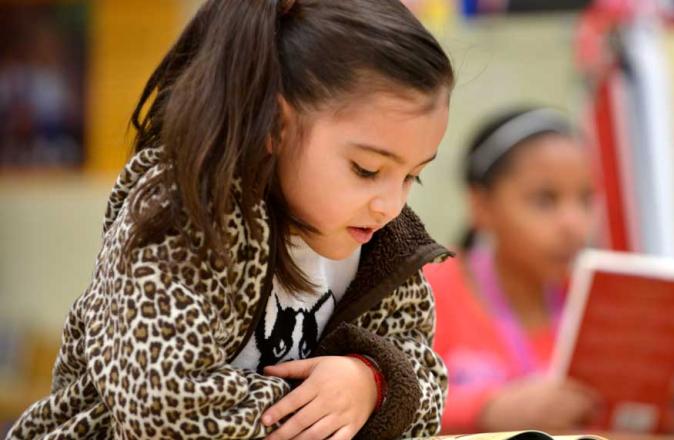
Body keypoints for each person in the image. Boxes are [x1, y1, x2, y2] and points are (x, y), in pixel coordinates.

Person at [7, 1, 454, 439]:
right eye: (367, 169)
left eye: (414, 175)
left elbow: (428, 381)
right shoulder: (180, 214)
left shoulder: (384, 241)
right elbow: (163, 409)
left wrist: (369, 384)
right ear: (275, 126)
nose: (390, 205)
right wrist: (320, 403)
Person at [424, 107, 600, 434]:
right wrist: (488, 412)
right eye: (545, 200)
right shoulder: (427, 291)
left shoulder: (600, 300)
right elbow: (383, 404)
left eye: (586, 200)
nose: (574, 225)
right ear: (481, 206)